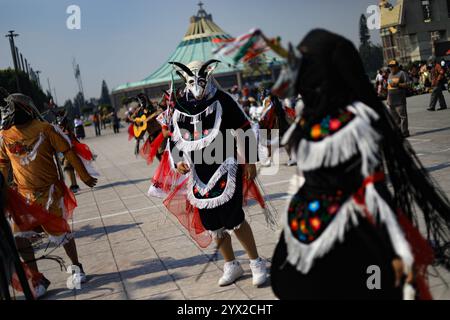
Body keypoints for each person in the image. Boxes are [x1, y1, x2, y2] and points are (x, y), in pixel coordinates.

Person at [270, 29, 450, 300]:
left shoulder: (355, 122)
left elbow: (372, 186)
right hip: (308, 222)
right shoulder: (310, 115)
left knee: (369, 287)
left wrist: (394, 246)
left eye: (307, 65)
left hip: (351, 232)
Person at [166, 60, 268, 287]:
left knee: (234, 219)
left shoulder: (222, 100)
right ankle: (231, 264)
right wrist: (179, 160)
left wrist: (250, 161)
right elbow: (175, 136)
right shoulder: (181, 106)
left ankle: (256, 262)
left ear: (208, 77)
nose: (196, 85)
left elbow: (243, 128)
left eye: (200, 79)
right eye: (191, 80)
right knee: (212, 223)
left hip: (226, 165)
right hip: (199, 171)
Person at [0, 90, 98, 298]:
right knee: (20, 239)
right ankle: (37, 279)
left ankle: (76, 267)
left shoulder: (46, 129)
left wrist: (83, 175)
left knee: (60, 233)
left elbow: (68, 150)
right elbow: (2, 163)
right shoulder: (4, 135)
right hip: (22, 197)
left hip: (50, 192)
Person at [387, 59, 410, 137]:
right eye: (390, 67)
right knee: (395, 119)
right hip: (391, 101)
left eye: (393, 66)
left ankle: (405, 132)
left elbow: (409, 84)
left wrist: (398, 84)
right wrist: (388, 100)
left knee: (403, 117)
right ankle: (399, 132)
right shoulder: (389, 75)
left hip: (400, 100)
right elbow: (389, 87)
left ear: (397, 66)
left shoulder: (402, 73)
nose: (391, 68)